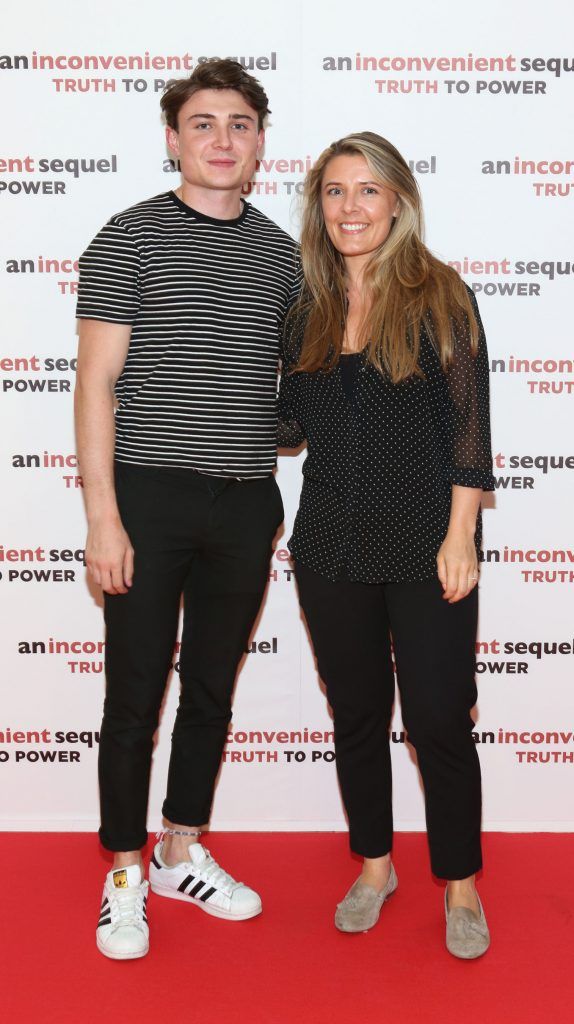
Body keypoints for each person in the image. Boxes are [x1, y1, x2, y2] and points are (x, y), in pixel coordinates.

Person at [75, 59, 299, 960]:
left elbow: (289, 391)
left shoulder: (284, 252)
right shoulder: (127, 238)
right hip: (148, 498)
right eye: (203, 124)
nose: (221, 140)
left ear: (258, 143)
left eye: (239, 125)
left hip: (247, 503)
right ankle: (124, 871)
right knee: (134, 697)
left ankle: (179, 848)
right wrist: (102, 517)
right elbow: (96, 385)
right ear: (174, 138)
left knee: (210, 690)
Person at [278, 132, 494, 959]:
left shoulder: (440, 297)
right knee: (359, 715)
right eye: (335, 192)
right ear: (318, 206)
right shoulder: (307, 307)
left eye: (368, 191)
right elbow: (292, 426)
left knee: (440, 718)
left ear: (398, 200)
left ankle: (461, 882)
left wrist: (461, 535)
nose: (350, 208)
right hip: (329, 544)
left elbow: (470, 435)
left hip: (426, 543)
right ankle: (375, 865)